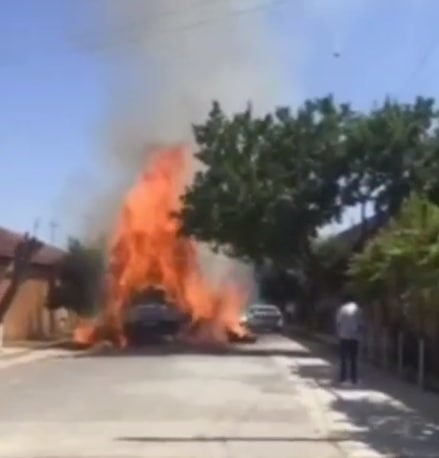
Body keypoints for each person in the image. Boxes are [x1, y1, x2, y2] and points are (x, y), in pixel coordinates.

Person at [336, 293, 362, 385]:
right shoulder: (358, 309)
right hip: (354, 337)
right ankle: (354, 379)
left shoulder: (341, 309)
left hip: (344, 336)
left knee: (344, 359)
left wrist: (339, 333)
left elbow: (338, 323)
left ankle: (343, 379)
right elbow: (360, 324)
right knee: (353, 359)